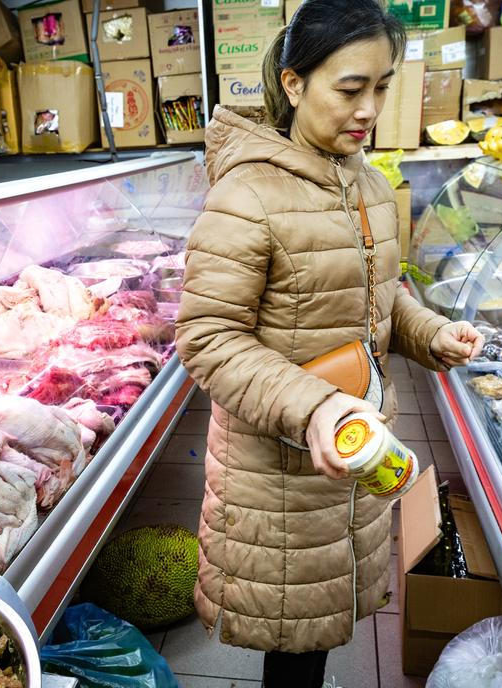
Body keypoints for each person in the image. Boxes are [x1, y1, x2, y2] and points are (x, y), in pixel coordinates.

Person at [174, 0, 485, 686]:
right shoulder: (247, 195)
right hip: (282, 469)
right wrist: (314, 406)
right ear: (293, 84)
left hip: (352, 450)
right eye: (350, 88)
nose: (369, 108)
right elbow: (207, 335)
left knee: (322, 616)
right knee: (293, 634)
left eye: (382, 87)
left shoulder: (369, 183)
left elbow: (382, 295)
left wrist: (432, 333)